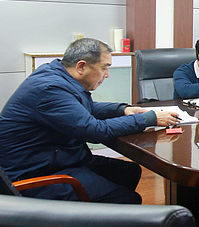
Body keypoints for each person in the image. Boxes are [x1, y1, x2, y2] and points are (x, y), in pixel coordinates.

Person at [0, 38, 179, 203]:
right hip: (36, 174)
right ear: (81, 67)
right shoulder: (50, 89)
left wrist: (122, 110)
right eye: (104, 68)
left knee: (128, 172)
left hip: (57, 159)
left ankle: (99, 216)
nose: (107, 75)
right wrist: (147, 119)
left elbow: (82, 108)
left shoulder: (56, 74)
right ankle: (95, 220)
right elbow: (94, 130)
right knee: (127, 199)